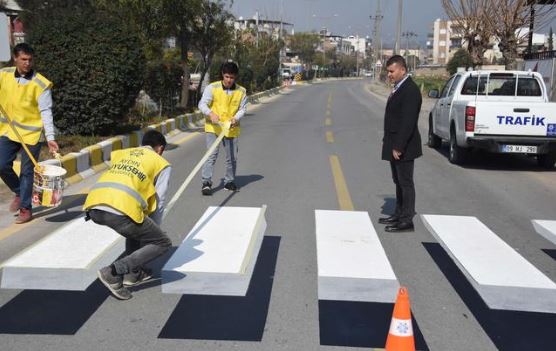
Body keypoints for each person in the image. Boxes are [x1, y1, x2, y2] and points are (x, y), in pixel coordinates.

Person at [83, 130, 172, 300]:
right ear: (160, 148)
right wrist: (154, 231)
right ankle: (114, 271)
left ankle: (134, 274)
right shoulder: (160, 162)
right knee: (162, 242)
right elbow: (159, 201)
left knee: (136, 222)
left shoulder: (125, 154)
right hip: (119, 211)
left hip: (94, 207)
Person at [0, 43, 59, 224]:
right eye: (23, 59)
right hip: (8, 131)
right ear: (15, 58)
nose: (27, 63)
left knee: (27, 172)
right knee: (1, 165)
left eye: (30, 60)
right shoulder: (4, 74)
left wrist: (50, 138)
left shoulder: (40, 84)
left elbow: (46, 112)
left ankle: (26, 208)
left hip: (31, 135)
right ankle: (19, 192)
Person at [379, 55, 422, 232]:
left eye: (391, 71)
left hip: (403, 145)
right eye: (388, 71)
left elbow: (408, 121)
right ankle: (398, 213)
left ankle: (407, 219)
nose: (389, 74)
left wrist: (399, 146)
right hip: (394, 142)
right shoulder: (399, 87)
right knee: (397, 181)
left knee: (405, 182)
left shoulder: (410, 90)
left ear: (402, 70)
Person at [198, 61, 247, 195]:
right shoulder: (212, 88)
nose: (229, 80)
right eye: (226, 77)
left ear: (235, 77)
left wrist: (235, 118)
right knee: (211, 155)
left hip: (231, 129)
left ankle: (229, 182)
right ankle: (206, 182)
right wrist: (210, 113)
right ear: (222, 75)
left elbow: (243, 109)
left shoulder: (241, 91)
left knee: (232, 157)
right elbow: (202, 104)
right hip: (214, 128)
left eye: (231, 77)